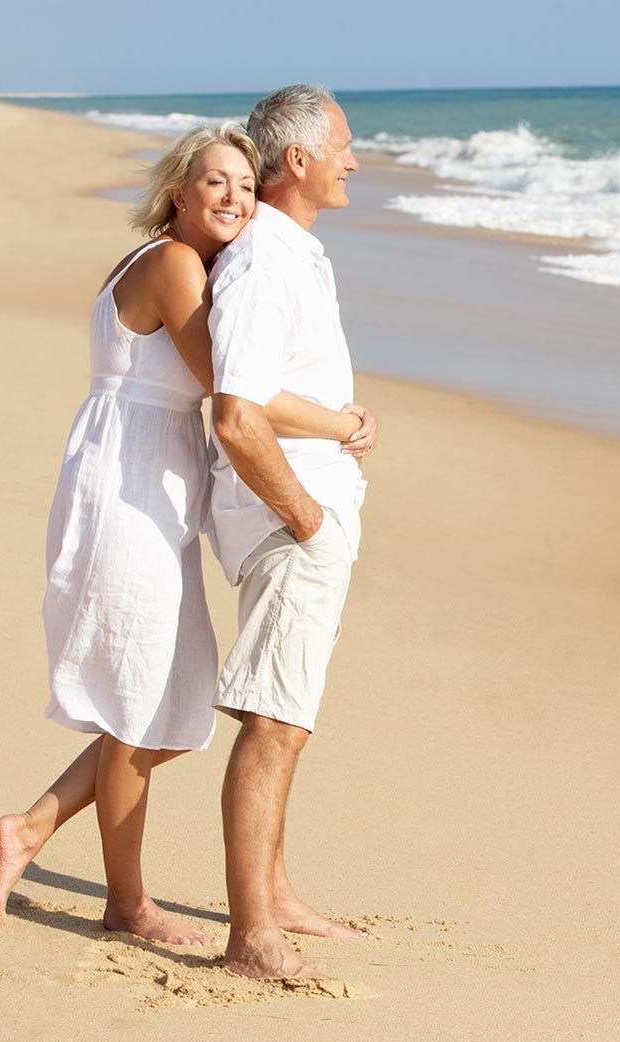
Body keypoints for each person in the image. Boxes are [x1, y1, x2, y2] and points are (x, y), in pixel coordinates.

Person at [0, 123, 378, 946]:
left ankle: (29, 829)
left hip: (142, 483)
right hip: (130, 494)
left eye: (244, 185)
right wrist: (343, 422)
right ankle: (126, 904)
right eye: (215, 182)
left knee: (160, 701)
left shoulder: (174, 262)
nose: (235, 197)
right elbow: (237, 389)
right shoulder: (173, 264)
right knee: (139, 704)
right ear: (178, 192)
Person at [205, 85, 368, 979]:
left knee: (290, 719)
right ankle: (248, 934)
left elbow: (272, 387)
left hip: (310, 507)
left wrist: (343, 424)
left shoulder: (293, 250)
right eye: (343, 145)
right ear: (297, 159)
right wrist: (303, 515)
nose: (356, 159)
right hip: (289, 515)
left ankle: (274, 894)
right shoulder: (265, 256)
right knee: (272, 722)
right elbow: (239, 406)